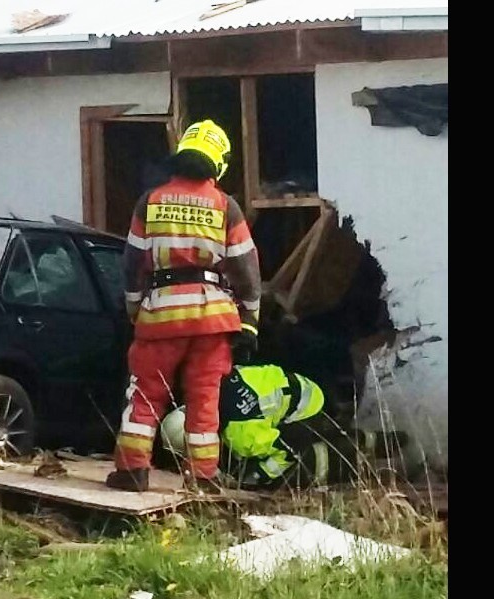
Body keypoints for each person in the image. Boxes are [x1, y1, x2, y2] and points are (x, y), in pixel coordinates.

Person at [105, 120, 262, 494]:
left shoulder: (151, 201)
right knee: (204, 399)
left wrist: (133, 308)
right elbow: (246, 267)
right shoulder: (227, 206)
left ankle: (132, 471)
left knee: (145, 394)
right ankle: (203, 479)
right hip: (213, 321)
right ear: (219, 161)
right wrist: (251, 319)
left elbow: (132, 263)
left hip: (160, 316)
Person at [159, 362, 405, 490]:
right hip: (300, 389)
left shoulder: (242, 435)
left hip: (306, 408)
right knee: (330, 432)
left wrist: (254, 480)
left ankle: (358, 468)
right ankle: (383, 441)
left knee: (298, 468)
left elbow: (285, 450)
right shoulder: (206, 390)